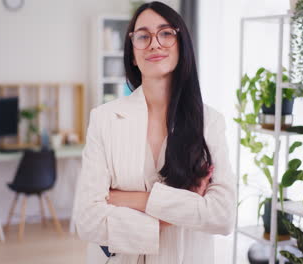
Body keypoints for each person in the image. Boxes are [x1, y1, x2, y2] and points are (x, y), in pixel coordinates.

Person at [72, 2, 236, 263]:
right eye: (143, 36)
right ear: (132, 53)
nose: (154, 43)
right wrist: (180, 209)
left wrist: (132, 200)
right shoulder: (104, 119)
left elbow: (223, 216)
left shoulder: (210, 122)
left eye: (166, 33)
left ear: (182, 45)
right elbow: (87, 220)